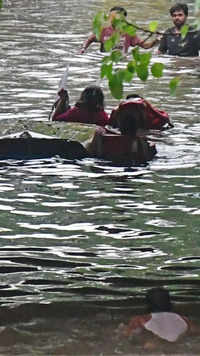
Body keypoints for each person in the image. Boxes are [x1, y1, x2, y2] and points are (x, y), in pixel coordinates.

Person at [86, 97, 157, 163]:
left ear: (119, 121)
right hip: (133, 168)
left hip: (106, 166)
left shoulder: (100, 137)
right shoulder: (146, 145)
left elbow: (91, 154)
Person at [122, 287, 199, 347]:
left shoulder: (140, 319)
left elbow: (126, 335)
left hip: (153, 345)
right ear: (169, 303)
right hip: (177, 344)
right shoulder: (183, 319)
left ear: (148, 304)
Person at [80, 6, 159, 55]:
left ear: (123, 18)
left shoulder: (129, 31)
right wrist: (83, 49)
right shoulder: (103, 29)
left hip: (121, 60)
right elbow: (89, 39)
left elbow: (145, 46)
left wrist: (156, 41)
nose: (112, 18)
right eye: (110, 16)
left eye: (115, 16)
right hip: (104, 58)